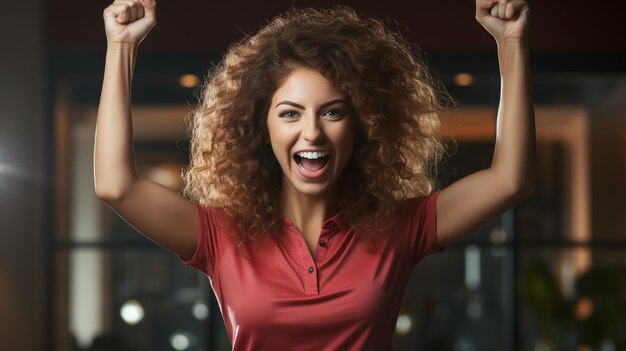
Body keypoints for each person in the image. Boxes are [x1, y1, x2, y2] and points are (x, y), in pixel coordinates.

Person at [96, 0, 534, 349]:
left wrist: (511, 44)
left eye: (332, 112)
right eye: (290, 114)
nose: (312, 133)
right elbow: (115, 186)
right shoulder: (220, 234)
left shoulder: (399, 227)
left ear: (361, 126)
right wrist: (121, 47)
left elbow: (509, 180)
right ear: (260, 128)